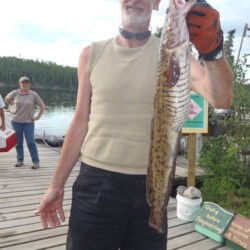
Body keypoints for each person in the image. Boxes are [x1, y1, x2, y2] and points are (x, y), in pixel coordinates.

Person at [35, 0, 233, 249]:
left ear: (157, 4)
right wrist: (56, 185)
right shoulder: (91, 54)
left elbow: (222, 98)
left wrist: (212, 52)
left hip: (151, 189)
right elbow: (78, 124)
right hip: (96, 184)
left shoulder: (177, 55)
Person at [5, 76, 45, 169]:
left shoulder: (33, 94)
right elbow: (7, 98)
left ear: (29, 84)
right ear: (20, 84)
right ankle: (20, 160)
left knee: (30, 142)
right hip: (16, 122)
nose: (25, 84)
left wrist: (37, 117)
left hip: (28, 123)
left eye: (27, 82)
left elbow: (42, 106)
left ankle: (36, 161)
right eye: (23, 82)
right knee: (18, 142)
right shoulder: (15, 92)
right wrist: (12, 104)